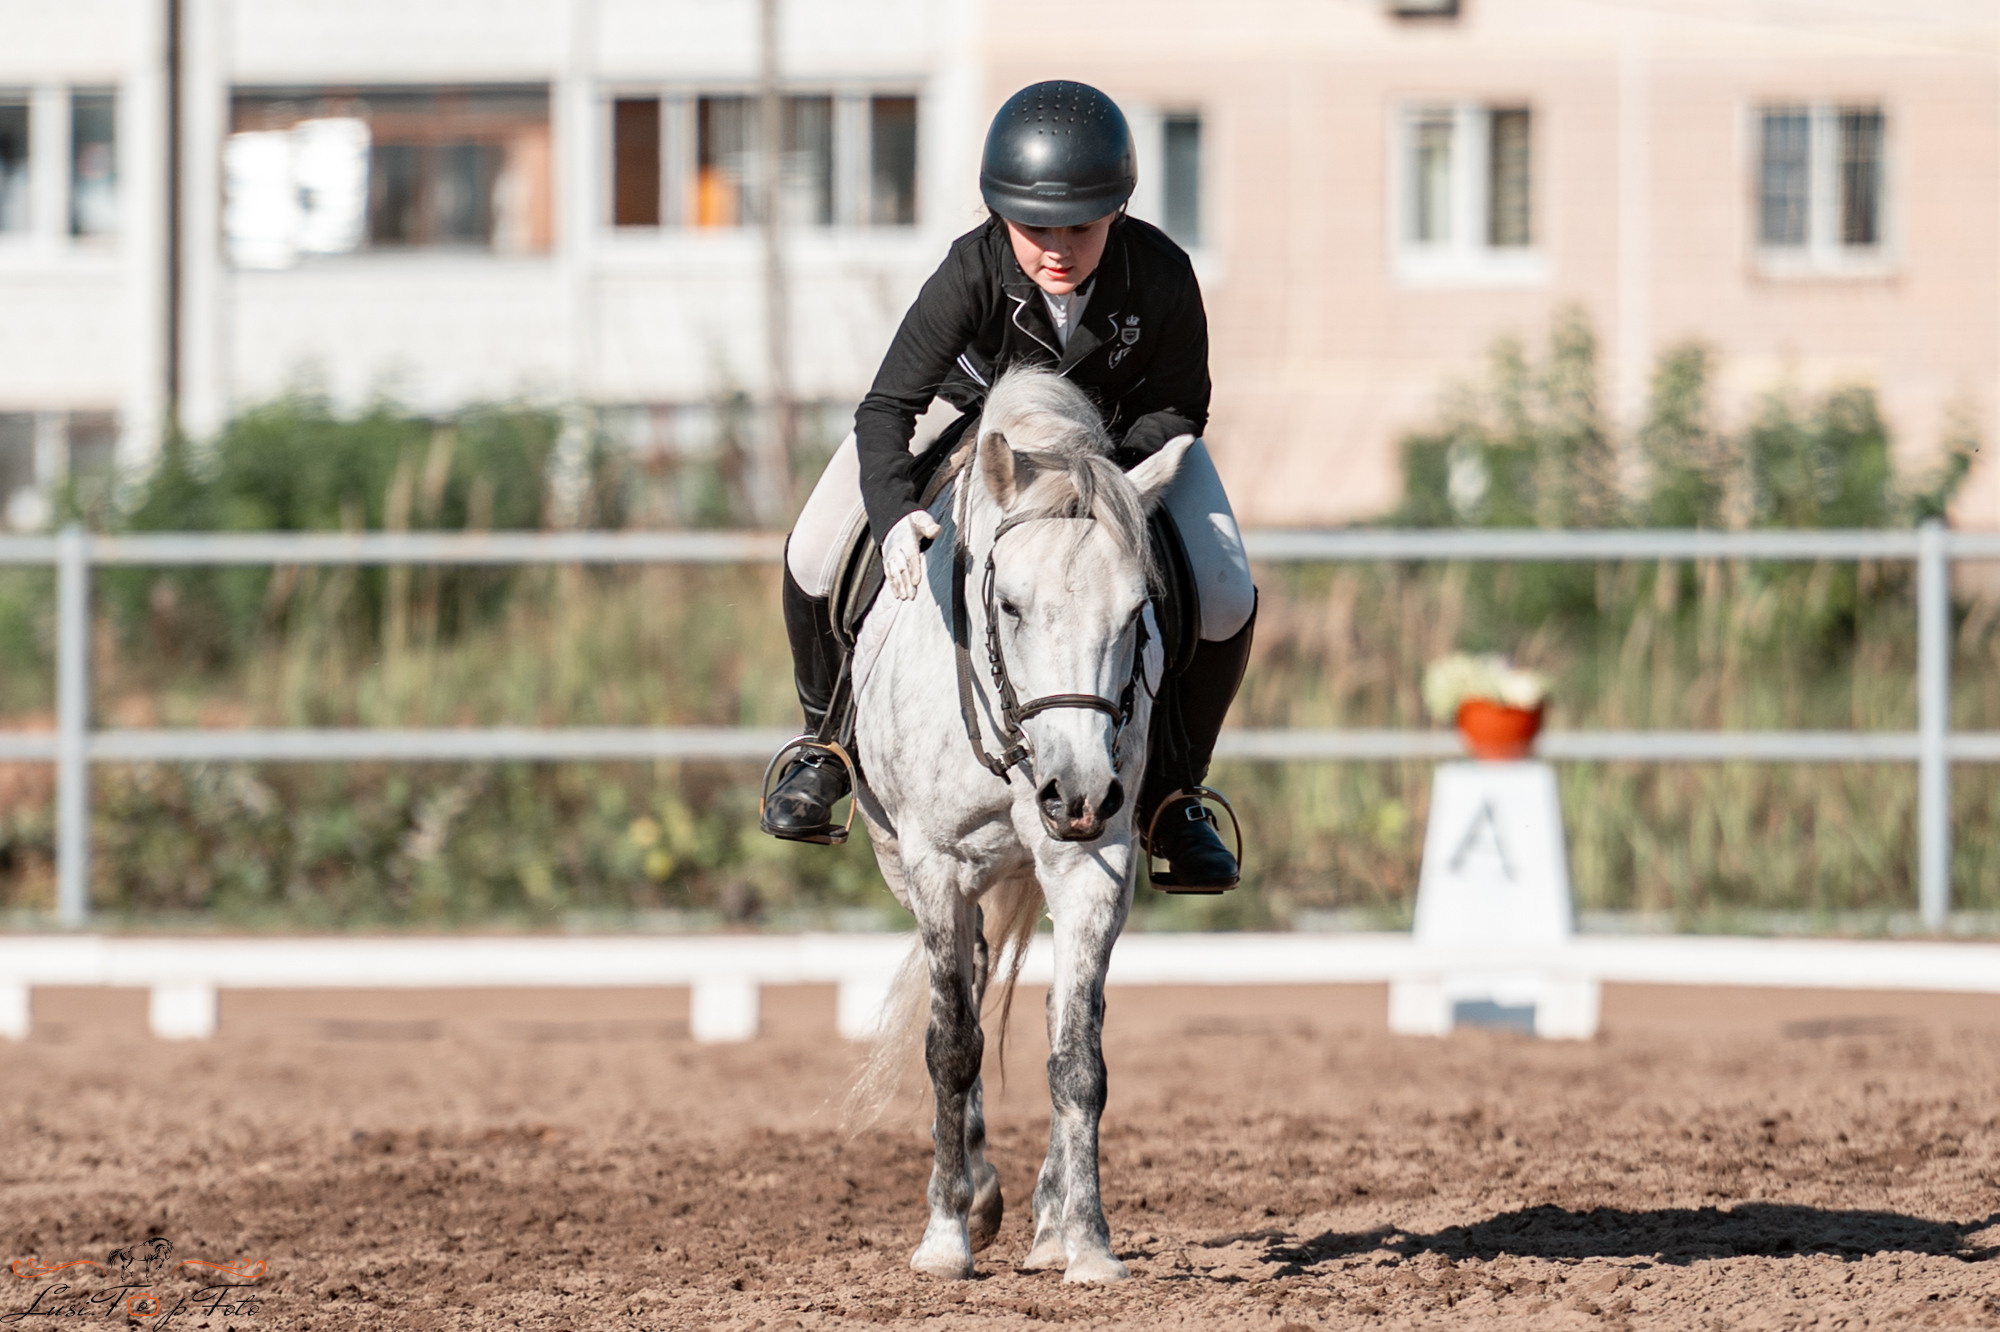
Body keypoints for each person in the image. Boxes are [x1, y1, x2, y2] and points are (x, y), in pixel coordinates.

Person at [762, 80, 1256, 891]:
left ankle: (1175, 794)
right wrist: (892, 516)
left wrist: (1105, 478)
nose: (1056, 248)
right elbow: (887, 406)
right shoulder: (971, 270)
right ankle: (824, 747)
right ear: (1001, 217)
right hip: (974, 421)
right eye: (1034, 228)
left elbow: (1181, 404)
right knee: (815, 549)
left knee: (1228, 589)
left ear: (1118, 215)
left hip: (1122, 442)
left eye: (1081, 227)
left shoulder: (1162, 274)